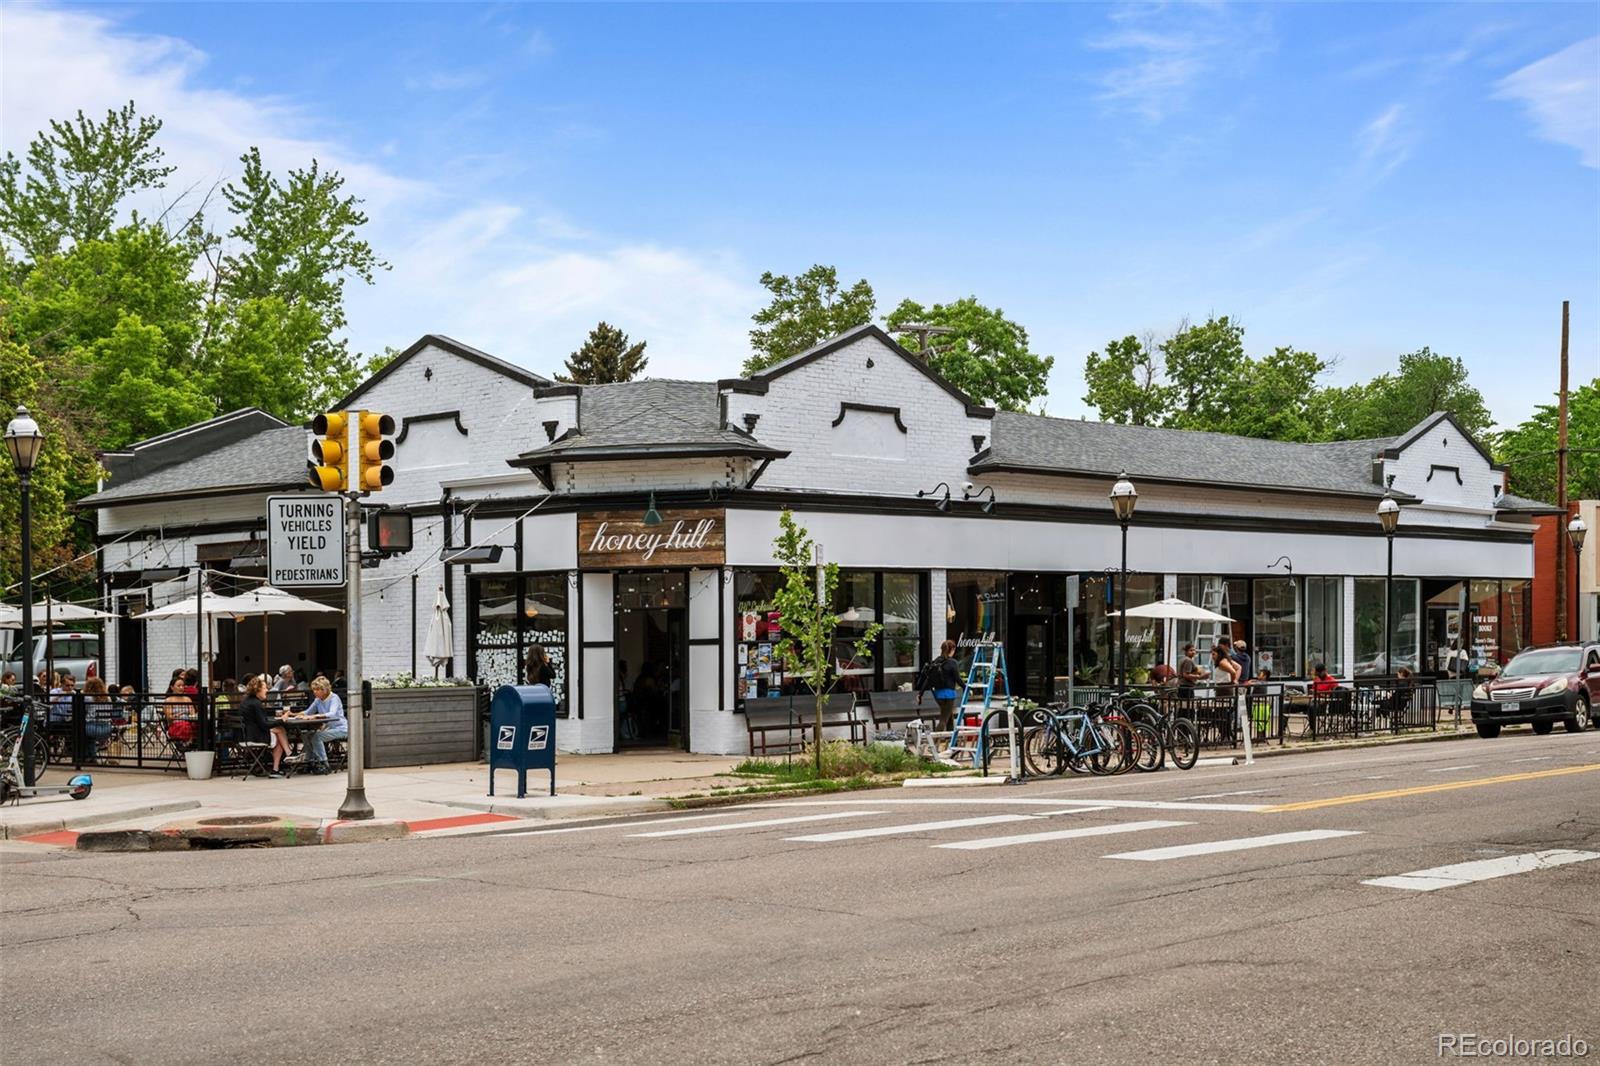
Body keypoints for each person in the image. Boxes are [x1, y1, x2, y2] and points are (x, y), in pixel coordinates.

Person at [291, 676, 347, 774]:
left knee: (317, 737)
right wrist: (293, 715)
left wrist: (314, 716)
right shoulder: (318, 700)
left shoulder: (334, 698)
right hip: (329, 729)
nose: (315, 692)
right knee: (306, 735)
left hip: (341, 728)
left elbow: (332, 714)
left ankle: (324, 763)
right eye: (314, 690)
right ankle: (310, 761)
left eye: (317, 690)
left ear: (324, 690)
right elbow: (308, 712)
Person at [242, 674, 290, 778]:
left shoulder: (246, 701)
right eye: (264, 688)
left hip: (247, 735)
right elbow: (264, 725)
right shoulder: (257, 704)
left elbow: (259, 722)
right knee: (280, 731)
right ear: (257, 690)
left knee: (278, 731)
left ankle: (283, 761)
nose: (267, 690)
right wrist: (282, 720)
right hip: (257, 737)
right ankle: (287, 756)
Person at [917, 640, 964, 734]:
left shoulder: (935, 662)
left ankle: (949, 740)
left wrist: (920, 694)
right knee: (943, 720)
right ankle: (933, 742)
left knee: (948, 716)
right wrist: (967, 688)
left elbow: (928, 679)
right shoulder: (953, 662)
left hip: (938, 695)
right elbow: (958, 679)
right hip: (949, 695)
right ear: (952, 649)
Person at [80, 676, 115, 751]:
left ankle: (88, 756)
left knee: (79, 731)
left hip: (92, 728)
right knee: (89, 738)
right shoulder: (108, 698)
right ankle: (92, 755)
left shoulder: (87, 698)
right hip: (107, 729)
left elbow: (81, 710)